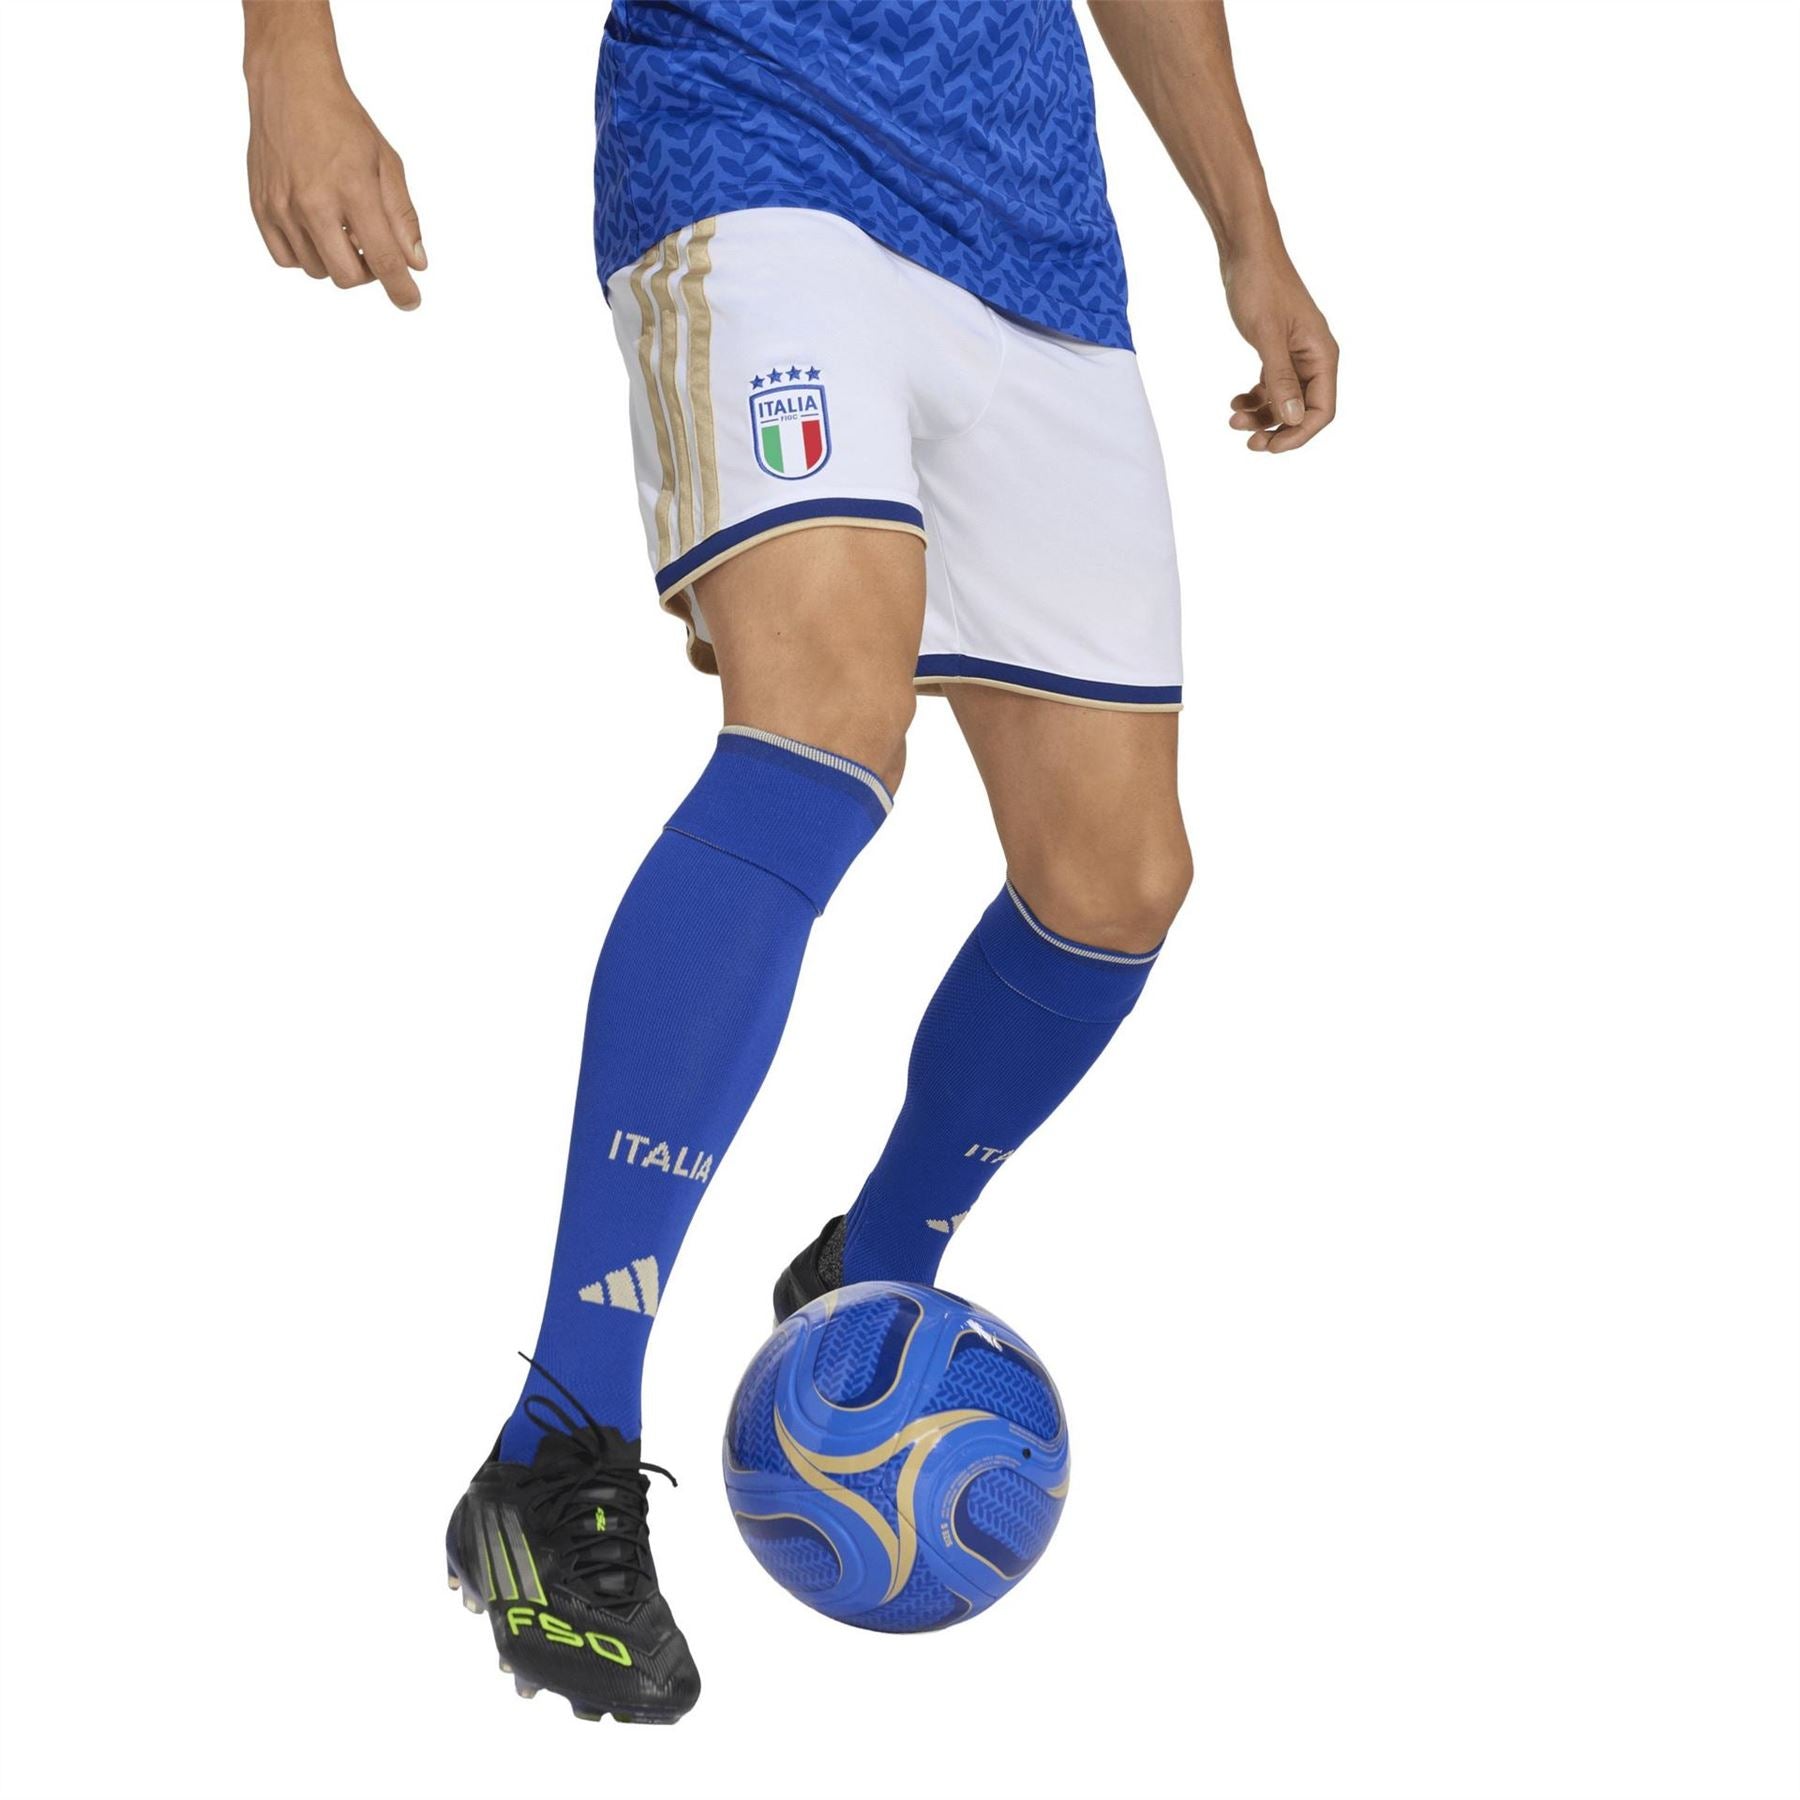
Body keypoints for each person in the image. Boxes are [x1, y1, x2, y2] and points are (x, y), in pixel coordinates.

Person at [242, 0, 1337, 1724]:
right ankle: (556, 1443)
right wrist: (290, 60)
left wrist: (1248, 235)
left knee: (1115, 885)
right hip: (753, 144)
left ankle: (869, 1272)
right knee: (822, 732)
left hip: (1038, 233)